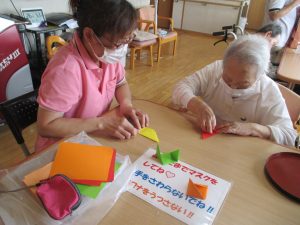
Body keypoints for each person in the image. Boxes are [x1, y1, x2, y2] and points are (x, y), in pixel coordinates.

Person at [36, 0, 149, 151]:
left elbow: (121, 84)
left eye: (127, 40)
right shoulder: (65, 69)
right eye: (117, 44)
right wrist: (101, 123)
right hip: (60, 149)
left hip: (92, 138)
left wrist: (126, 105)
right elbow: (46, 126)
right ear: (89, 35)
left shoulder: (106, 56)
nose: (121, 50)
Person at [172, 35, 297, 146]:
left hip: (241, 153)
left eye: (243, 84)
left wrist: (254, 129)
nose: (233, 87)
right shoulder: (216, 69)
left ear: (259, 76)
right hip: (204, 142)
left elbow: (289, 136)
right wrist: (197, 106)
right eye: (227, 78)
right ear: (224, 65)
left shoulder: (268, 90)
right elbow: (180, 87)